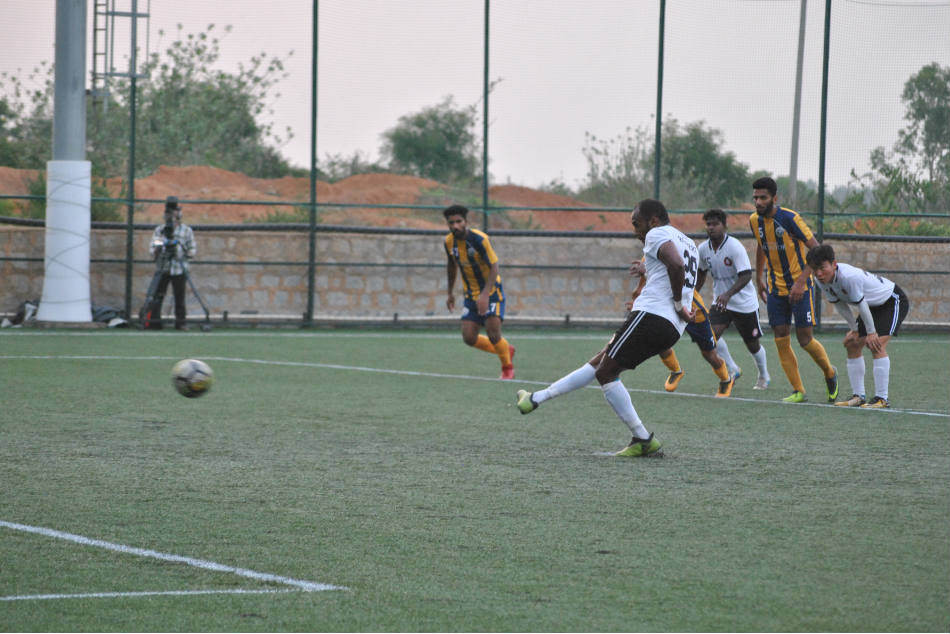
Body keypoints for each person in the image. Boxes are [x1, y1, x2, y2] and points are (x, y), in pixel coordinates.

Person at [516, 199, 698, 457]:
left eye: (637, 224)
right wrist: (652, 273)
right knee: (600, 361)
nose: (636, 231)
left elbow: (677, 266)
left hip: (652, 315)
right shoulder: (689, 242)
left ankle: (642, 438)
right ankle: (535, 399)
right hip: (671, 327)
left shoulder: (657, 234)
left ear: (653, 220)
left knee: (606, 373)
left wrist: (679, 303)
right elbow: (683, 270)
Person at [750, 176, 837, 403]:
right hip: (775, 289)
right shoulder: (754, 221)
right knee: (781, 337)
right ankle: (798, 390)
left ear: (774, 198)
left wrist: (800, 282)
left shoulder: (789, 219)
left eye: (763, 198)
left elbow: (817, 250)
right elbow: (761, 246)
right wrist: (759, 276)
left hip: (801, 287)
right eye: (756, 198)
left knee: (805, 339)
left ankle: (829, 371)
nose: (758, 202)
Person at [806, 244, 910, 408]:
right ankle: (858, 396)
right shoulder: (821, 280)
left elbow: (860, 304)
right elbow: (840, 305)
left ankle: (882, 398)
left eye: (822, 268)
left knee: (875, 344)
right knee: (852, 343)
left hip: (891, 300)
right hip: (870, 306)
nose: (818, 273)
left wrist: (871, 332)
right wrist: (855, 329)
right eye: (814, 269)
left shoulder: (848, 277)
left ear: (834, 264)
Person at [628, 257, 738, 397]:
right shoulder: (649, 253)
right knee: (659, 342)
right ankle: (676, 371)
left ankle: (726, 379)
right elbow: (640, 289)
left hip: (692, 309)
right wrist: (635, 302)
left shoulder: (676, 250)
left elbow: (675, 276)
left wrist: (646, 271)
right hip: (668, 308)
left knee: (708, 353)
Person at [696, 208, 771, 390]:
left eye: (715, 224)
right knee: (710, 337)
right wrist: (693, 294)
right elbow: (701, 273)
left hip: (744, 303)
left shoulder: (734, 246)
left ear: (724, 225)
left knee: (752, 344)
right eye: (709, 224)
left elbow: (745, 276)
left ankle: (763, 375)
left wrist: (728, 294)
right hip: (721, 302)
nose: (711, 228)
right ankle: (733, 368)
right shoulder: (703, 249)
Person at [443, 204, 515, 379]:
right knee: (468, 337)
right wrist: (450, 293)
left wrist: (485, 295)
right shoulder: (449, 242)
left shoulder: (480, 239)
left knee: (493, 334)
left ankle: (507, 367)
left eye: (459, 221)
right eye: (451, 223)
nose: (455, 226)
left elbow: (494, 266)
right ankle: (506, 349)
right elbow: (452, 266)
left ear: (466, 221)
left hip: (491, 292)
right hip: (470, 294)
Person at [149, 196, 196, 330]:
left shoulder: (186, 231)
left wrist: (181, 252)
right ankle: (154, 322)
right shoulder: (160, 230)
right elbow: (153, 248)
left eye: (173, 213)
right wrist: (161, 246)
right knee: (157, 295)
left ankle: (181, 323)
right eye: (168, 213)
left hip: (179, 268)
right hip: (163, 267)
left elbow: (192, 250)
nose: (170, 216)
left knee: (179, 297)